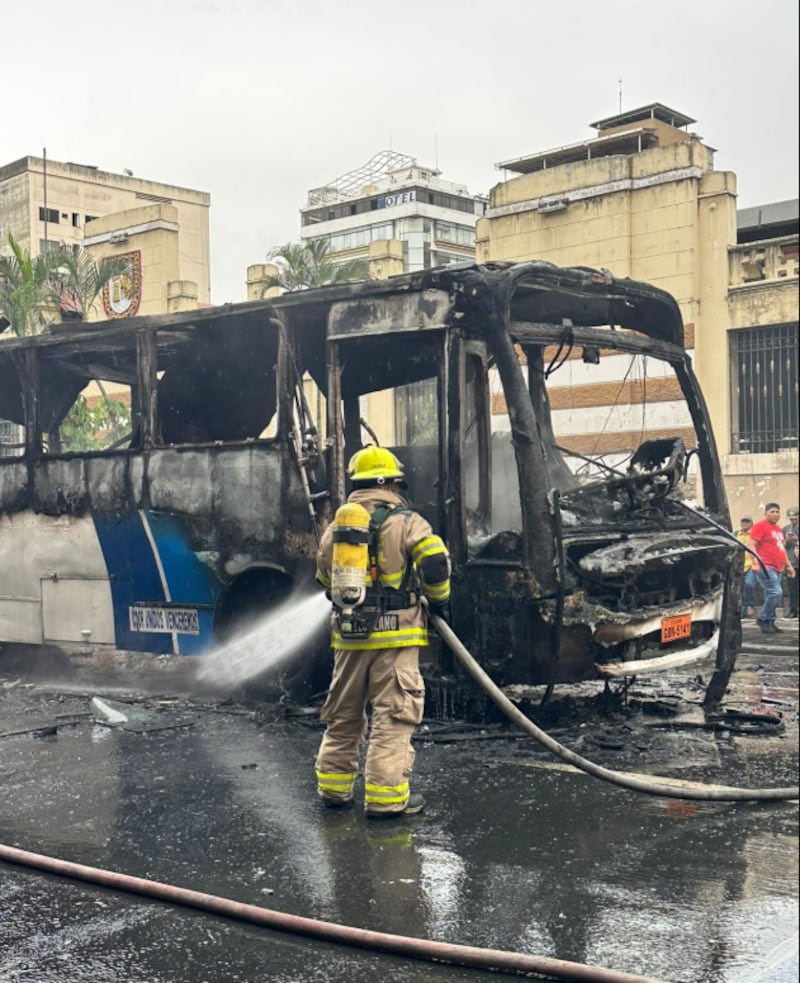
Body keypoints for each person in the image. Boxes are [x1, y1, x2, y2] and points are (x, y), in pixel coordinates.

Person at [314, 446, 451, 818]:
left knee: (343, 716)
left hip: (348, 636)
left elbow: (325, 578)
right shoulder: (407, 521)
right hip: (397, 635)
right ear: (392, 482)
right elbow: (436, 563)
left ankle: (334, 791)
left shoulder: (337, 530)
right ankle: (386, 801)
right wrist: (438, 602)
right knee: (393, 717)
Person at [750, 502, 795, 633]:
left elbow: (781, 549)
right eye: (772, 512)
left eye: (777, 512)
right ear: (766, 513)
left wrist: (789, 566)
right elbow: (751, 544)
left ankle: (770, 621)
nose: (775, 514)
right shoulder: (760, 526)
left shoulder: (778, 529)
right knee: (776, 592)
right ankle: (763, 618)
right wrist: (755, 561)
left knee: (771, 594)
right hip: (765, 565)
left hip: (778, 567)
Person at [736, 515, 757, 618]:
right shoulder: (736, 534)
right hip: (738, 566)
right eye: (743, 521)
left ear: (751, 524)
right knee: (738, 588)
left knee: (749, 584)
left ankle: (750, 605)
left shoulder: (754, 535)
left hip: (751, 565)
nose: (744, 524)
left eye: (747, 522)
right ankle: (741, 610)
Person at [782, 507, 799, 618]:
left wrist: (797, 539)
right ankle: (793, 610)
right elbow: (781, 546)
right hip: (792, 563)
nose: (793, 521)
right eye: (791, 519)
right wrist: (786, 540)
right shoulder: (785, 529)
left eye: (795, 518)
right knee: (793, 589)